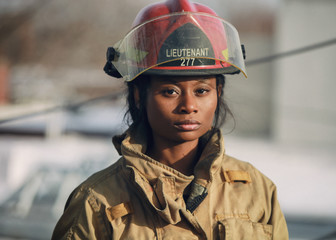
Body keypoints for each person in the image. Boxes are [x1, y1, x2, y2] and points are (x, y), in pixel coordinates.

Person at [52, 0, 289, 239]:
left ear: (218, 92)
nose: (189, 106)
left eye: (202, 91)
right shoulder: (97, 203)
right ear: (138, 96)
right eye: (170, 91)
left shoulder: (255, 190)